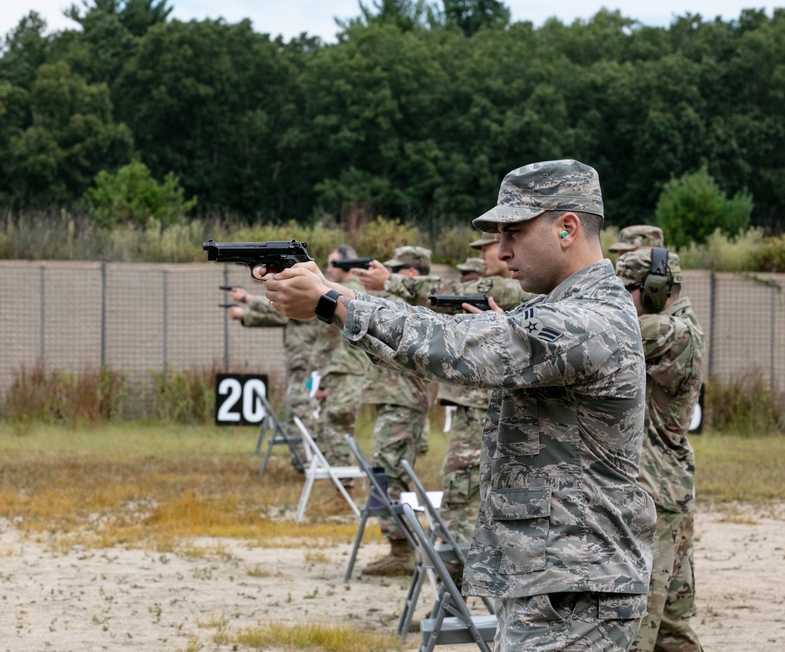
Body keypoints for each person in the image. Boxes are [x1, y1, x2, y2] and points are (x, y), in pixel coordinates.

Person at [264, 158, 656, 651]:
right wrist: (333, 293)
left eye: (514, 231)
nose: (503, 249)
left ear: (567, 227)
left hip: (575, 586)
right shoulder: (562, 309)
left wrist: (330, 302)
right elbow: (439, 347)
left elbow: (455, 346)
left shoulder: (589, 320)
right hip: (556, 577)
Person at [615, 249, 705, 652]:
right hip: (668, 492)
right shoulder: (675, 327)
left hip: (656, 497)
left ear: (654, 291)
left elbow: (605, 334)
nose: (620, 302)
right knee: (672, 631)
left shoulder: (673, 331)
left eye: (626, 292)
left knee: (636, 630)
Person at [434, 230, 533, 548]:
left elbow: (434, 290)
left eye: (485, 248)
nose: (481, 255)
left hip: (481, 403)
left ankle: (456, 564)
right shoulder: (525, 293)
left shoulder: (501, 288)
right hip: (485, 400)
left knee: (461, 484)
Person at [357, 245, 433, 576]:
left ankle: (403, 549)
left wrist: (389, 284)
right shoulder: (400, 302)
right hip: (394, 401)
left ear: (411, 273)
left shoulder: (421, 301)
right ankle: (398, 545)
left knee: (389, 476)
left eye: (394, 271)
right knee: (382, 473)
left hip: (404, 403)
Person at [307, 245, 371, 511]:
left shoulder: (352, 290)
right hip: (337, 371)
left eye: (333, 263)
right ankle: (341, 490)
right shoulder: (339, 288)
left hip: (348, 371)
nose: (329, 268)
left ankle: (344, 492)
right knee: (332, 428)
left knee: (338, 427)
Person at [226, 286, 320, 455]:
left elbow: (277, 311)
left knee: (302, 408)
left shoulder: (305, 301)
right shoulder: (301, 306)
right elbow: (281, 319)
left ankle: (307, 456)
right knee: (296, 408)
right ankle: (301, 456)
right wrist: (245, 315)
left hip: (306, 364)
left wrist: (246, 299)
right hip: (299, 363)